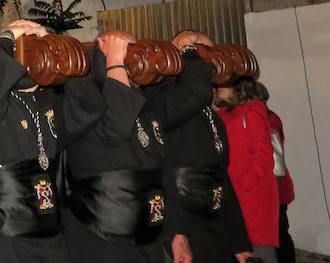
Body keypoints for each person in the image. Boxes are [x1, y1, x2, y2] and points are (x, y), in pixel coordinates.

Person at [0, 20, 104, 263]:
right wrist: (6, 38)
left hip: (51, 238)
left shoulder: (48, 103)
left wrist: (61, 53)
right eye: (30, 46)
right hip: (4, 240)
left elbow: (89, 108)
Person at [62, 31, 194, 263]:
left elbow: (160, 176)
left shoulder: (144, 104)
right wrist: (113, 62)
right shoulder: (82, 95)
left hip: (147, 241)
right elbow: (115, 127)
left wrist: (177, 233)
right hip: (100, 240)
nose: (129, 59)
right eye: (123, 51)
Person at [148, 30, 253, 263]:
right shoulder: (161, 100)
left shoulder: (211, 115)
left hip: (215, 225)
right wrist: (177, 233)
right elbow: (160, 176)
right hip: (183, 223)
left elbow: (221, 178)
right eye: (198, 55)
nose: (206, 63)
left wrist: (239, 241)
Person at [216, 79, 282, 263]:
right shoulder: (224, 114)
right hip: (234, 195)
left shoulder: (252, 111)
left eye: (220, 84)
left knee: (258, 251)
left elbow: (263, 157)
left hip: (251, 196)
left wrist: (241, 186)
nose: (216, 88)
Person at [258, 84, 295, 263]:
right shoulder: (266, 118)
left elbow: (276, 163)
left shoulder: (268, 120)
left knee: (280, 236)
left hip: (276, 190)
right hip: (274, 189)